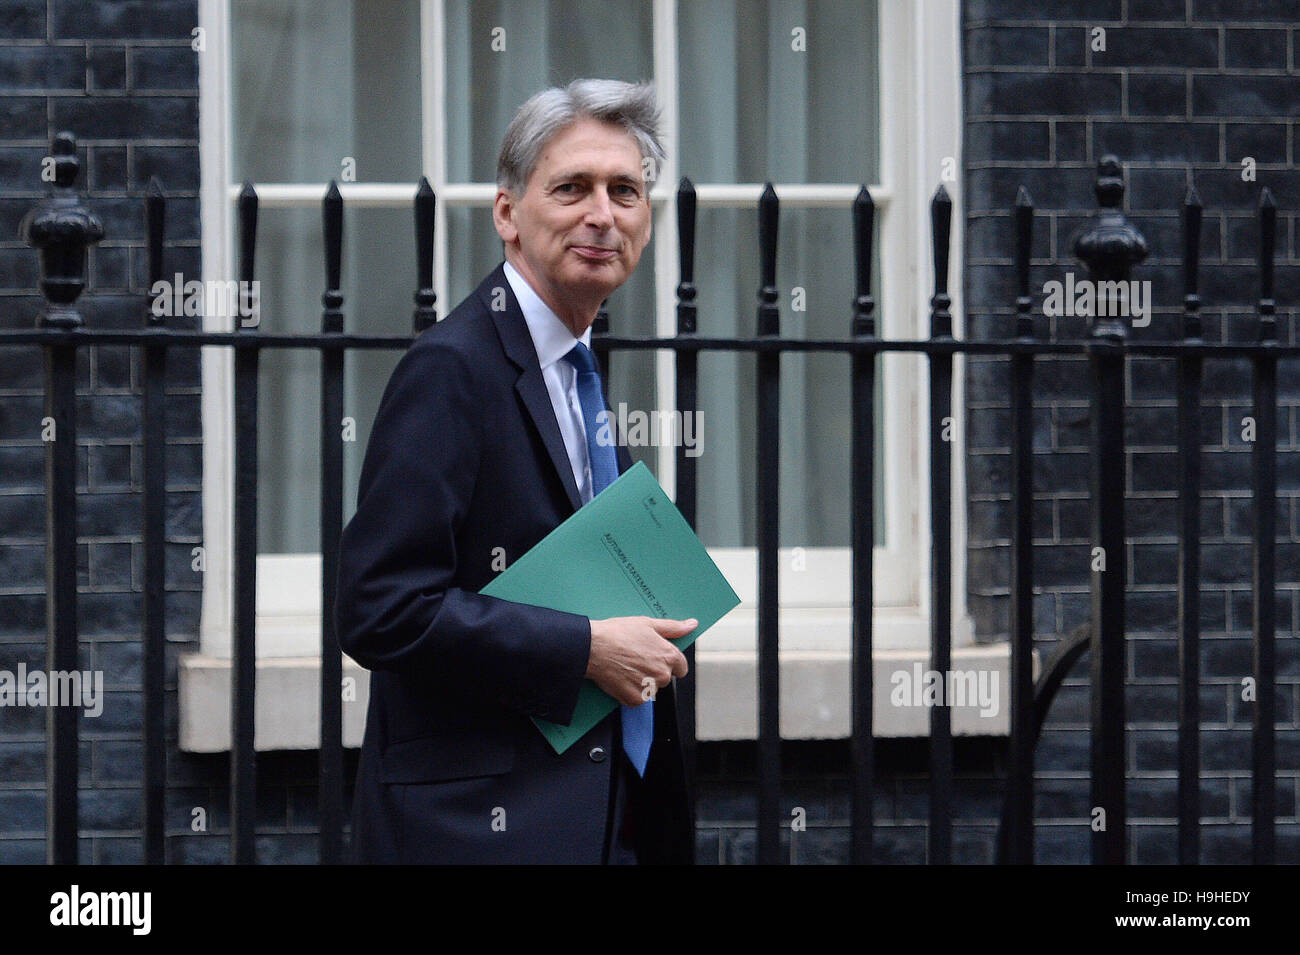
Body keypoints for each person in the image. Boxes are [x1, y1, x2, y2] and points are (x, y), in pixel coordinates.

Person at [335, 79, 696, 864]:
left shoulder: (578, 370)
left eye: (625, 191)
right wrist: (583, 649)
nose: (603, 213)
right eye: (572, 188)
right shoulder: (450, 370)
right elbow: (378, 607)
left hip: (606, 818)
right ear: (508, 214)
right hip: (475, 832)